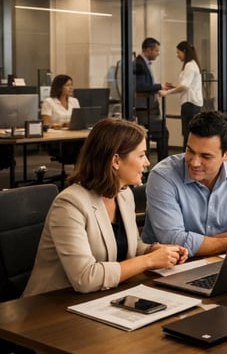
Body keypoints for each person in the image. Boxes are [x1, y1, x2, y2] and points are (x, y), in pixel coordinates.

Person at [23, 118, 187, 296]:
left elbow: (127, 245)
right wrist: (149, 260)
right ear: (116, 161)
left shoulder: (124, 194)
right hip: (50, 306)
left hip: (101, 297)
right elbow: (85, 278)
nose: (147, 162)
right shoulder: (69, 204)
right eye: (141, 155)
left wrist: (152, 250)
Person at [142, 111, 227, 257]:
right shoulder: (163, 176)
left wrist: (210, 244)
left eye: (205, 156)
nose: (194, 162)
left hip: (218, 260)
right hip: (165, 268)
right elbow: (174, 240)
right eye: (190, 151)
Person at [160, 41, 203, 148]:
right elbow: (187, 86)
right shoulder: (192, 65)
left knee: (188, 134)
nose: (177, 55)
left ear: (184, 51)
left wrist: (166, 93)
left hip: (190, 104)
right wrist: (173, 87)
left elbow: (184, 86)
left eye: (178, 52)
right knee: (188, 134)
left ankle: (186, 159)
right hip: (191, 104)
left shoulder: (190, 65)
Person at [134, 37, 169, 160]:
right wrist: (160, 86)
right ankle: (162, 165)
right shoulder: (138, 64)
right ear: (148, 50)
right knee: (161, 134)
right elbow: (140, 86)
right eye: (156, 51)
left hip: (150, 107)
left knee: (161, 134)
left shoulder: (144, 64)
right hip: (145, 108)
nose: (157, 54)